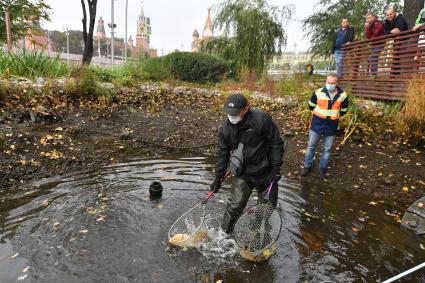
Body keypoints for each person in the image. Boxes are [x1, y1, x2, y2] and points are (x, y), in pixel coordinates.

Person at [210, 93, 285, 234]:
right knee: (234, 206)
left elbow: (276, 143)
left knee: (266, 209)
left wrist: (276, 169)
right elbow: (222, 153)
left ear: (245, 109)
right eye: (229, 113)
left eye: (235, 113)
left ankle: (258, 235)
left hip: (266, 172)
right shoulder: (225, 129)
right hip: (243, 172)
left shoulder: (261, 119)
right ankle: (224, 234)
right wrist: (218, 178)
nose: (232, 116)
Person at [301, 74, 349, 179]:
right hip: (317, 124)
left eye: (333, 83)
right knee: (311, 146)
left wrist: (333, 115)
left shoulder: (343, 95)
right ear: (325, 82)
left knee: (326, 149)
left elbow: (344, 110)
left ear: (337, 83)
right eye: (328, 82)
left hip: (331, 125)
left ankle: (322, 169)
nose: (330, 85)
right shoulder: (318, 92)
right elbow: (311, 106)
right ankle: (307, 167)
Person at [383, 7, 409, 77]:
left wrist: (389, 32)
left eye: (391, 14)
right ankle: (396, 74)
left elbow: (398, 31)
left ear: (394, 13)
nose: (389, 16)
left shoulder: (400, 18)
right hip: (396, 41)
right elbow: (384, 32)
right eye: (387, 15)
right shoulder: (387, 21)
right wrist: (391, 31)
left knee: (400, 56)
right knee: (396, 56)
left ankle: (400, 75)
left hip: (404, 40)